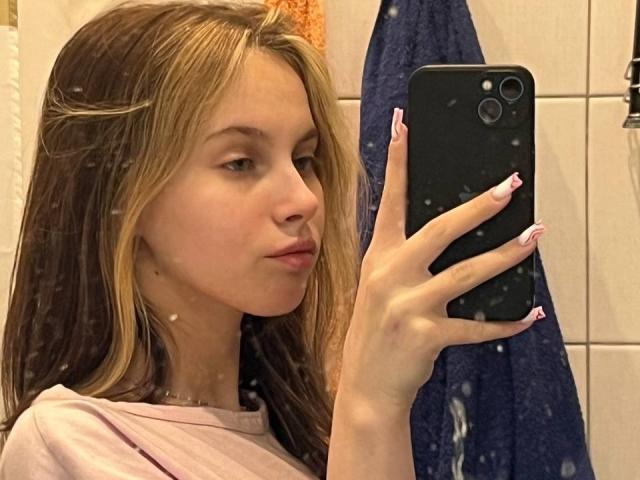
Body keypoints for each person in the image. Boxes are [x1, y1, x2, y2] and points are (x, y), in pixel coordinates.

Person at [0, 1, 547, 479]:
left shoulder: (295, 436)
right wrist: (371, 403)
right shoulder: (68, 443)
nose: (304, 199)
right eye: (240, 162)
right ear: (121, 195)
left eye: (304, 159)